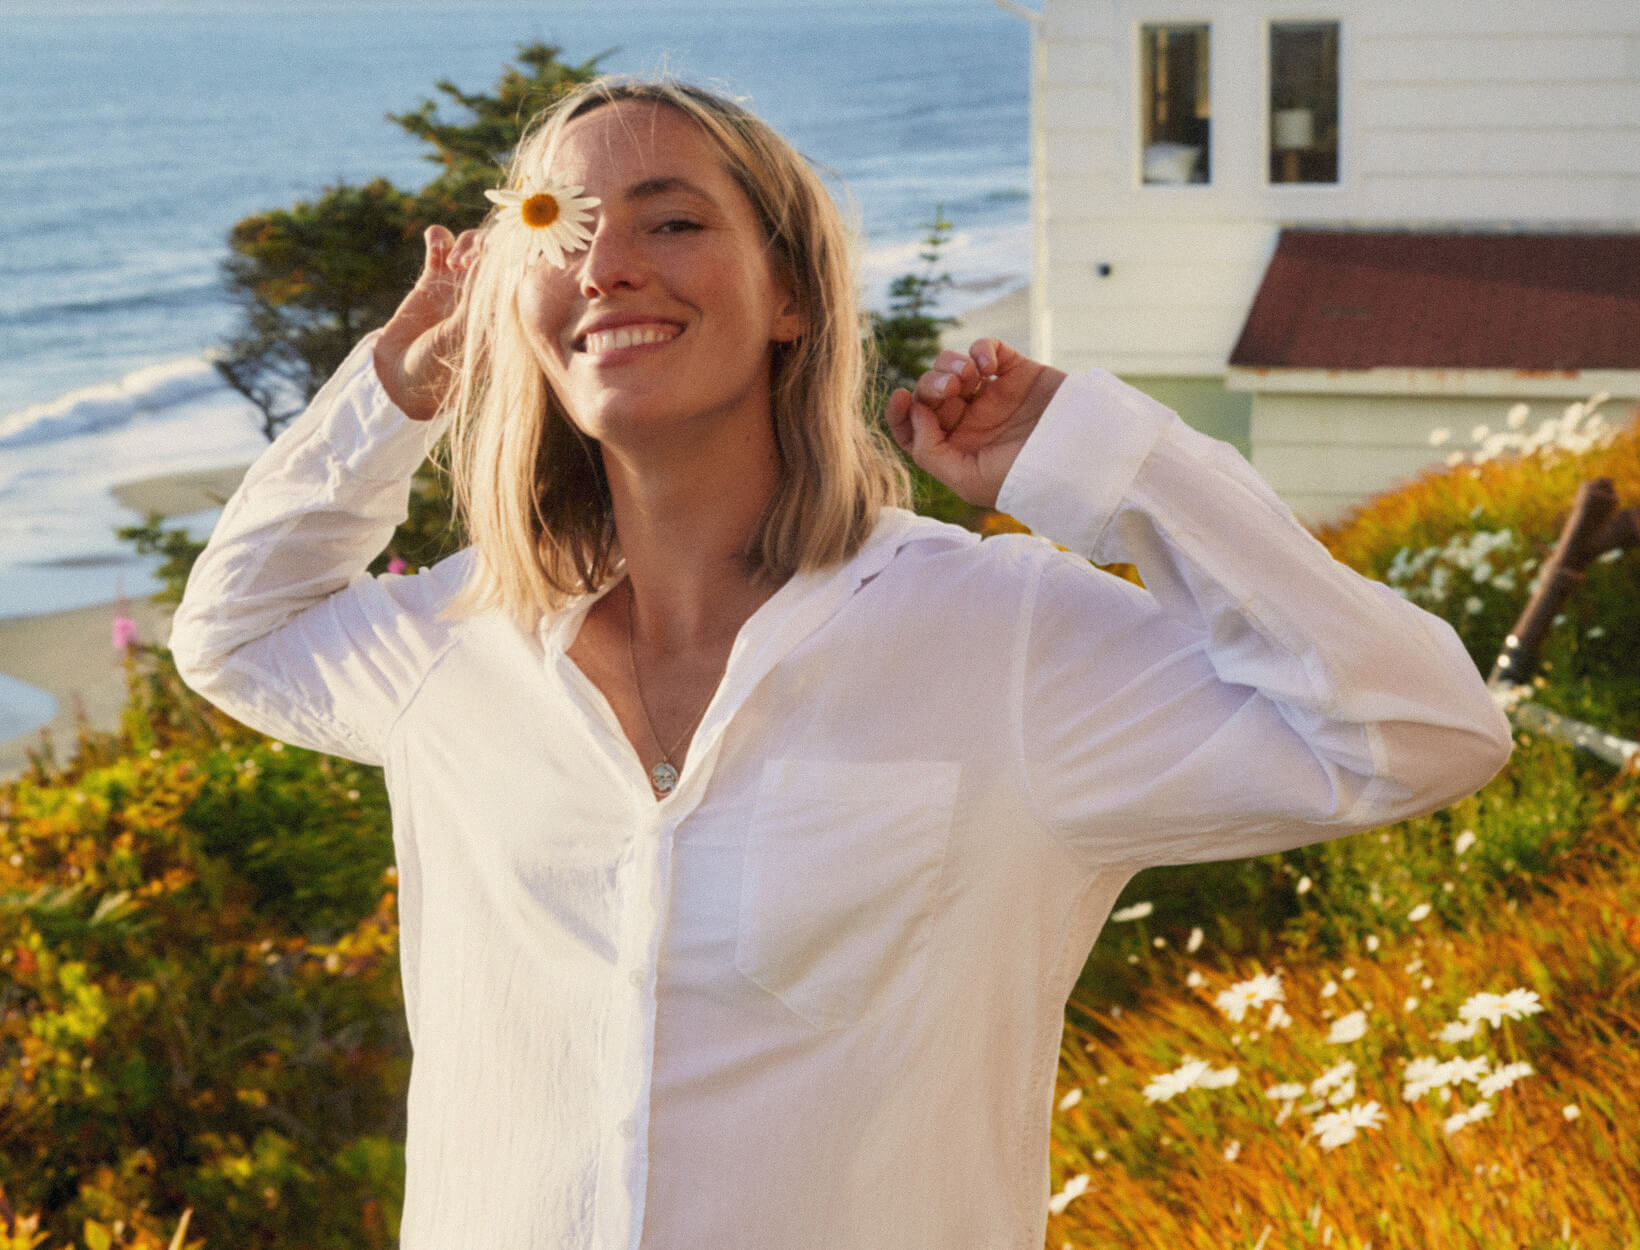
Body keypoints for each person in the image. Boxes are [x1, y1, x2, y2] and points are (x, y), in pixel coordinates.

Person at [171, 78, 1512, 1250]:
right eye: (555, 229)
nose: (606, 263)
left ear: (794, 295)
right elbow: (232, 633)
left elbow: (1424, 730)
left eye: (672, 217)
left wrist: (1112, 467)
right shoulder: (452, 648)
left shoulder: (1002, 639)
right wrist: (400, 381)